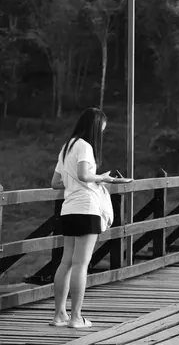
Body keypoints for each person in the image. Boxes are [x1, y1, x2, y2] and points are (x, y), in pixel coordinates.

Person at [50, 107, 117, 329]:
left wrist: (76, 183)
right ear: (95, 127)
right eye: (102, 130)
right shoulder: (86, 147)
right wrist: (102, 178)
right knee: (81, 264)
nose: (102, 134)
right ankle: (76, 318)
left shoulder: (66, 147)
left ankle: (60, 315)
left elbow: (55, 183)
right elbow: (83, 174)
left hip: (68, 209)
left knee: (66, 262)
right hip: (86, 208)